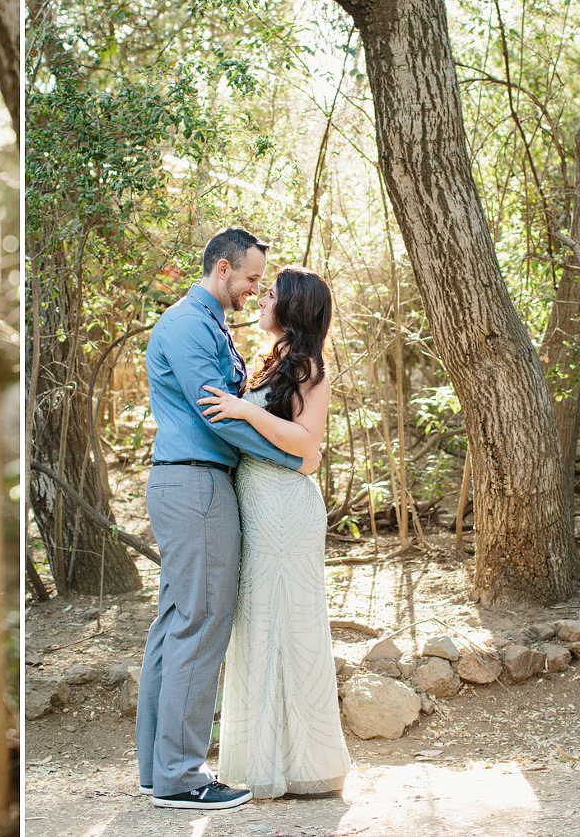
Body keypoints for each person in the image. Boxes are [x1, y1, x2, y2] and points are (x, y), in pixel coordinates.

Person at [138, 227, 318, 810]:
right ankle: (182, 776)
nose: (253, 290)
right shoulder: (190, 325)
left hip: (194, 483)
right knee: (202, 621)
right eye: (250, 279)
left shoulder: (209, 323)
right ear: (222, 269)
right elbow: (218, 414)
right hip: (195, 484)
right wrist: (291, 455)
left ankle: (158, 767)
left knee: (176, 622)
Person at [198, 265, 352, 798]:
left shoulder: (310, 368)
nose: (262, 300)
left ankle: (303, 763)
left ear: (294, 308)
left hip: (286, 508)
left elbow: (308, 443)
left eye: (272, 294)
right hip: (257, 501)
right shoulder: (270, 362)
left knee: (288, 623)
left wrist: (243, 409)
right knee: (258, 622)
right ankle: (263, 759)